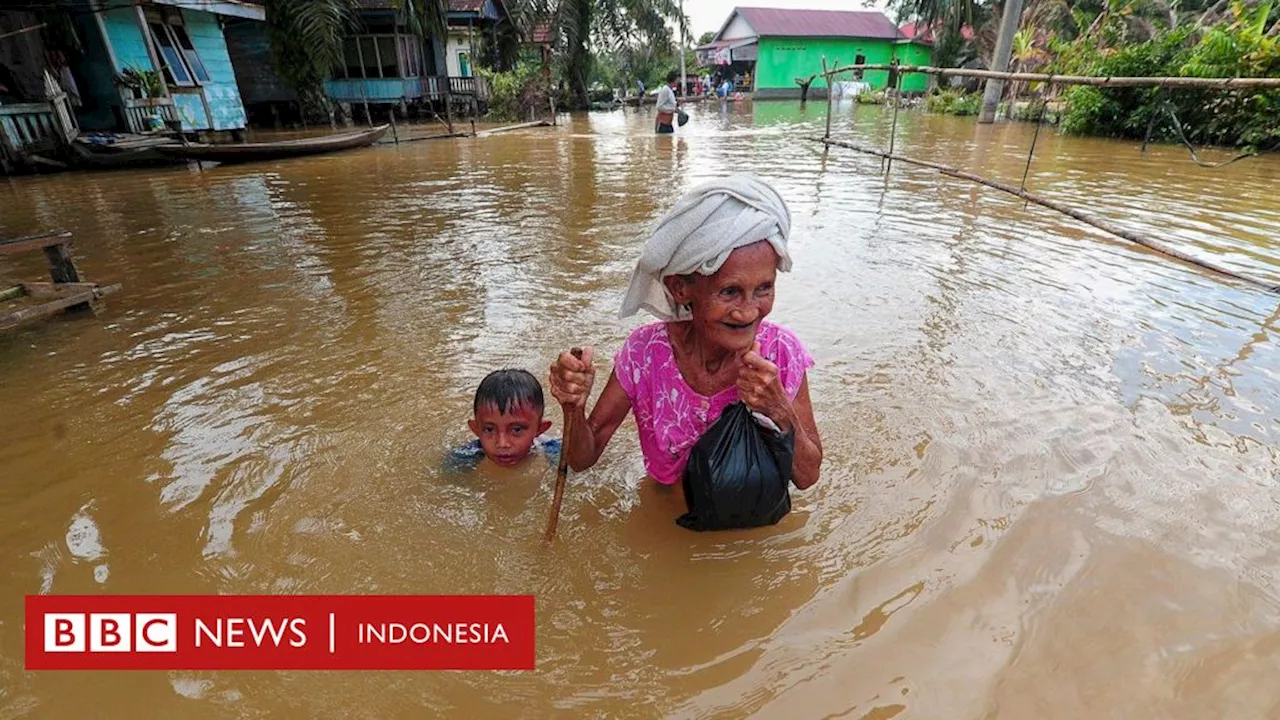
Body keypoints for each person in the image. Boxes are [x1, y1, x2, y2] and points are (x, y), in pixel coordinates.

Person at [548, 174, 823, 492]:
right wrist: (573, 406)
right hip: (667, 513)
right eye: (730, 292)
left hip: (751, 524)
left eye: (764, 289)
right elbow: (583, 459)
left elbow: (807, 477)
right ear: (680, 289)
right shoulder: (644, 354)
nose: (749, 311)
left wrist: (777, 407)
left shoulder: (782, 352)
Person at [445, 369, 560, 473]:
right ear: (476, 429)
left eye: (516, 429)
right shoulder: (463, 458)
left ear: (540, 429)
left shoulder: (556, 453)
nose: (502, 444)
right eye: (489, 429)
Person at [654, 70, 679, 135]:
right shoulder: (665, 90)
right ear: (673, 80)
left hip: (669, 124)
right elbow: (659, 107)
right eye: (677, 80)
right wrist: (673, 109)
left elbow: (670, 106)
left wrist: (677, 107)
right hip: (662, 124)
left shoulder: (670, 91)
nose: (678, 82)